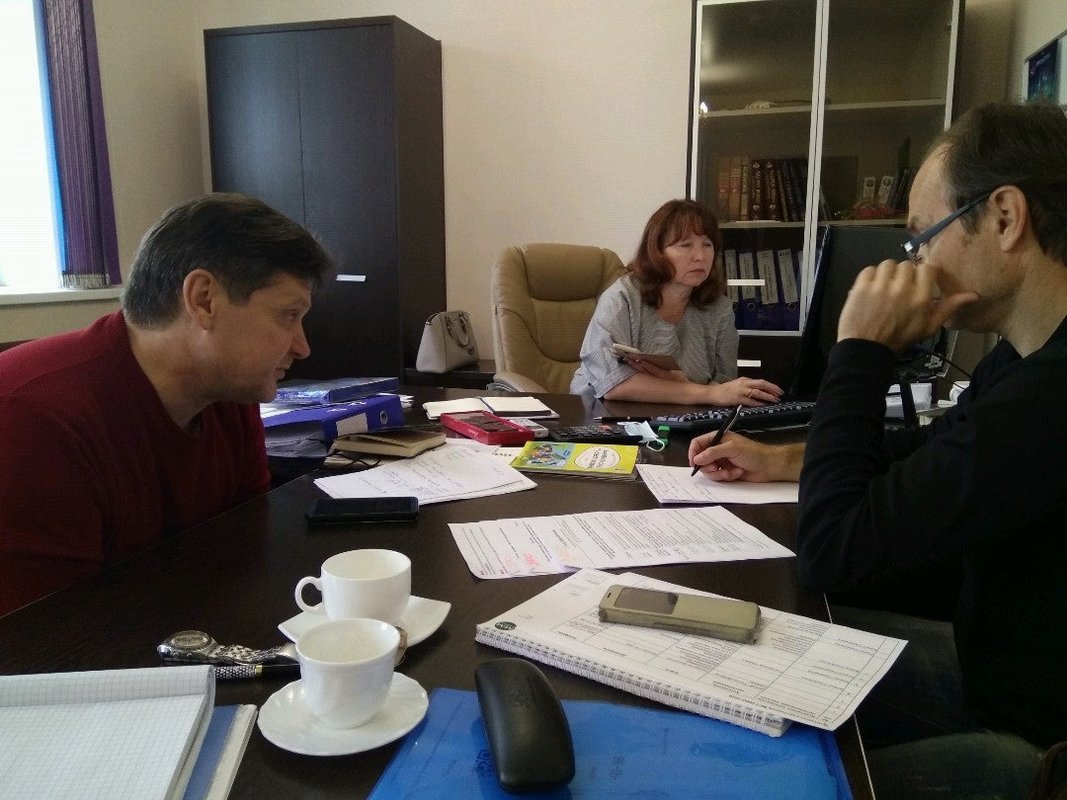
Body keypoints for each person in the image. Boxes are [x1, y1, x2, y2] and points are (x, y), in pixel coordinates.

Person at [689, 100, 1067, 799]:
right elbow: (933, 451)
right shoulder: (1023, 362)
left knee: (747, 783)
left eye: (924, 236)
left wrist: (860, 350)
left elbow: (834, 551)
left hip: (1036, 747)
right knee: (735, 640)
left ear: (1005, 217)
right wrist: (784, 459)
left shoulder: (1053, 394)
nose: (915, 263)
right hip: (996, 668)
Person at [0, 193, 333, 615]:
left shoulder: (228, 392)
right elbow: (44, 641)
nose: (302, 347)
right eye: (288, 314)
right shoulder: (32, 422)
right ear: (204, 300)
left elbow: (243, 556)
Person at [570, 198, 783, 404]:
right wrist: (703, 392)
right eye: (686, 245)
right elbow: (611, 385)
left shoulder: (719, 308)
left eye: (707, 244)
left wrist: (686, 387)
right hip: (599, 415)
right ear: (656, 252)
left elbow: (725, 386)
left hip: (681, 417)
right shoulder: (622, 297)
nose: (700, 256)